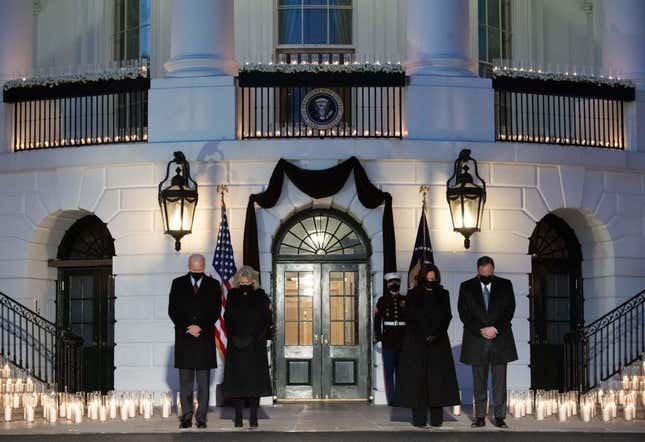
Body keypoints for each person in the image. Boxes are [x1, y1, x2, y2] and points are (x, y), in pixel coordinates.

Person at [395, 263, 460, 428]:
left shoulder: (443, 294)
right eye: (428, 278)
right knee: (419, 382)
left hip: (438, 343)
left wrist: (435, 335)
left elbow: (447, 316)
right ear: (423, 278)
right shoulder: (413, 294)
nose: (431, 281)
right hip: (417, 343)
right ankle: (419, 419)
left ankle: (437, 419)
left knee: (437, 382)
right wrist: (422, 335)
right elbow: (409, 317)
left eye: (434, 278)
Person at [458, 256, 518, 429]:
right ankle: (480, 417)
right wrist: (481, 330)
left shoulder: (505, 284)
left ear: (493, 270)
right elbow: (464, 313)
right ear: (478, 271)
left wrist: (495, 328)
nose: (486, 275)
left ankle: (499, 417)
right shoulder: (466, 287)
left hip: (500, 339)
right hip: (476, 340)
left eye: (489, 273)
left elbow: (509, 310)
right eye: (483, 273)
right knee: (479, 383)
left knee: (500, 382)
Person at [168, 254, 222, 429]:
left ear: (204, 266)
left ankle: (201, 418)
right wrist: (188, 326)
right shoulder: (177, 283)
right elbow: (172, 310)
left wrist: (200, 327)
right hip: (185, 339)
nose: (197, 272)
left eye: (200, 269)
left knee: (204, 382)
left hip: (204, 339)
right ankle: (186, 416)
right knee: (185, 383)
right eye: (194, 269)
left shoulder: (214, 285)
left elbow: (215, 311)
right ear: (188, 266)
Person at [222, 266, 273, 428]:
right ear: (238, 281)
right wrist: (234, 336)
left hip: (254, 346)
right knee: (237, 383)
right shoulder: (232, 294)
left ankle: (253, 417)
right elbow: (227, 317)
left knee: (254, 383)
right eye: (242, 281)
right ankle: (237, 417)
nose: (245, 284)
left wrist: (256, 336)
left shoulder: (260, 295)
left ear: (253, 280)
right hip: (236, 345)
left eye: (248, 281)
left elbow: (266, 318)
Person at [373, 272, 407, 405]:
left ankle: (401, 396)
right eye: (392, 283)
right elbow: (377, 321)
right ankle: (392, 399)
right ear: (388, 285)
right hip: (388, 339)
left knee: (402, 371)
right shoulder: (382, 300)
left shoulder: (405, 299)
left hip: (403, 338)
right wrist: (379, 337)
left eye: (397, 283)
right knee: (388, 371)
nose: (394, 285)